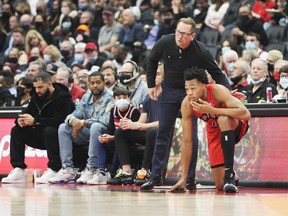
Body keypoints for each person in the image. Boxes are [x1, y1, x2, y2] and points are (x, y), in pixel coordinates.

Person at [141, 17, 231, 191]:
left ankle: (189, 178)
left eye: (184, 34)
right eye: (178, 32)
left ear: (193, 36)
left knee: (190, 137)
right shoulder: (165, 41)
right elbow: (151, 60)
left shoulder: (201, 51)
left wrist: (227, 93)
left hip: (189, 93)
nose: (179, 36)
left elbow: (216, 72)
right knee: (163, 132)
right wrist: (151, 84)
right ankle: (156, 175)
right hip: (168, 90)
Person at [170, 67, 251, 193]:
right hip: (214, 130)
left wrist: (212, 110)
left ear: (203, 85)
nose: (189, 92)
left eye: (193, 88)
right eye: (186, 89)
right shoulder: (187, 104)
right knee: (219, 185)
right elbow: (187, 142)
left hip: (236, 123)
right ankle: (232, 177)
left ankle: (229, 174)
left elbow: (246, 114)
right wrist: (183, 178)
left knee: (222, 119)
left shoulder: (217, 90)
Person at [1, 72, 75, 184]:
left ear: (50, 84)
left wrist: (35, 121)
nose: (37, 90)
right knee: (16, 130)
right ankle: (19, 169)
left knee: (49, 130)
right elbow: (26, 113)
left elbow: (61, 121)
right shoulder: (36, 97)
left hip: (60, 138)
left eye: (41, 87)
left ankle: (54, 169)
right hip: (41, 136)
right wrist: (21, 120)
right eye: (35, 88)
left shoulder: (63, 98)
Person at [48, 72, 114, 184]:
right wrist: (73, 120)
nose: (95, 85)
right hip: (87, 132)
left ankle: (91, 167)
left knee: (96, 126)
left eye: (98, 82)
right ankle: (67, 169)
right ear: (88, 84)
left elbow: (105, 120)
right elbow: (74, 114)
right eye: (92, 83)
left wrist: (83, 122)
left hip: (105, 133)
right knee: (63, 127)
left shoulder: (110, 97)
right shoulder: (86, 96)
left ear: (104, 83)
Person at [107, 63, 164, 185]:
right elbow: (141, 121)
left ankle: (145, 170)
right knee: (120, 131)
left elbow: (164, 123)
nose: (154, 76)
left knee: (152, 131)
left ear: (165, 77)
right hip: (148, 133)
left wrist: (139, 126)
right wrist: (130, 124)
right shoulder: (148, 98)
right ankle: (126, 171)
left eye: (158, 74)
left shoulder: (168, 97)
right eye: (151, 74)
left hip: (165, 134)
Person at [94, 87, 141, 184]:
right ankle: (101, 171)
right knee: (99, 141)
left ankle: (111, 172)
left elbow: (133, 133)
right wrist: (106, 136)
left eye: (124, 97)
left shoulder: (134, 111)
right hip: (116, 138)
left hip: (129, 141)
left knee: (118, 144)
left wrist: (112, 138)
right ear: (114, 100)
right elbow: (111, 128)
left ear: (129, 99)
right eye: (119, 98)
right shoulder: (113, 110)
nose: (122, 100)